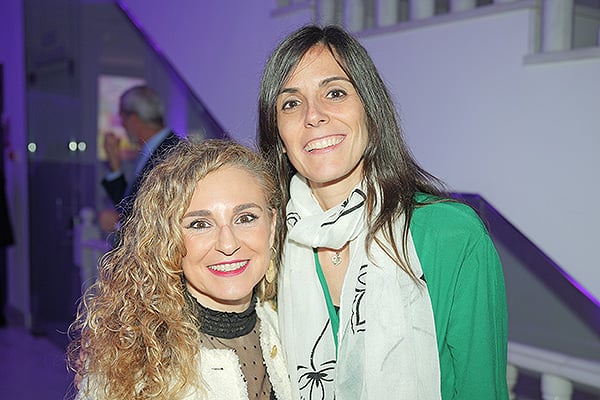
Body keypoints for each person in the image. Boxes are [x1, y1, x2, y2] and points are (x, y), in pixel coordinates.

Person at [258, 25, 508, 399]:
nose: (314, 116)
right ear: (278, 132)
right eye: (291, 103)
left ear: (370, 113)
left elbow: (481, 389)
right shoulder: (266, 243)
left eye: (335, 93)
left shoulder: (451, 235)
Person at [67, 139, 292, 400]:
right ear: (168, 239)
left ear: (273, 223)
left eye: (245, 218)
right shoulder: (135, 362)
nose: (228, 244)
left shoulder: (291, 330)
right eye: (199, 224)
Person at [101, 85, 182, 228]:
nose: (123, 126)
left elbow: (163, 218)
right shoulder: (152, 149)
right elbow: (131, 205)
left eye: (123, 120)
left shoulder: (173, 153)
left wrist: (118, 224)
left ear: (133, 120)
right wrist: (115, 165)